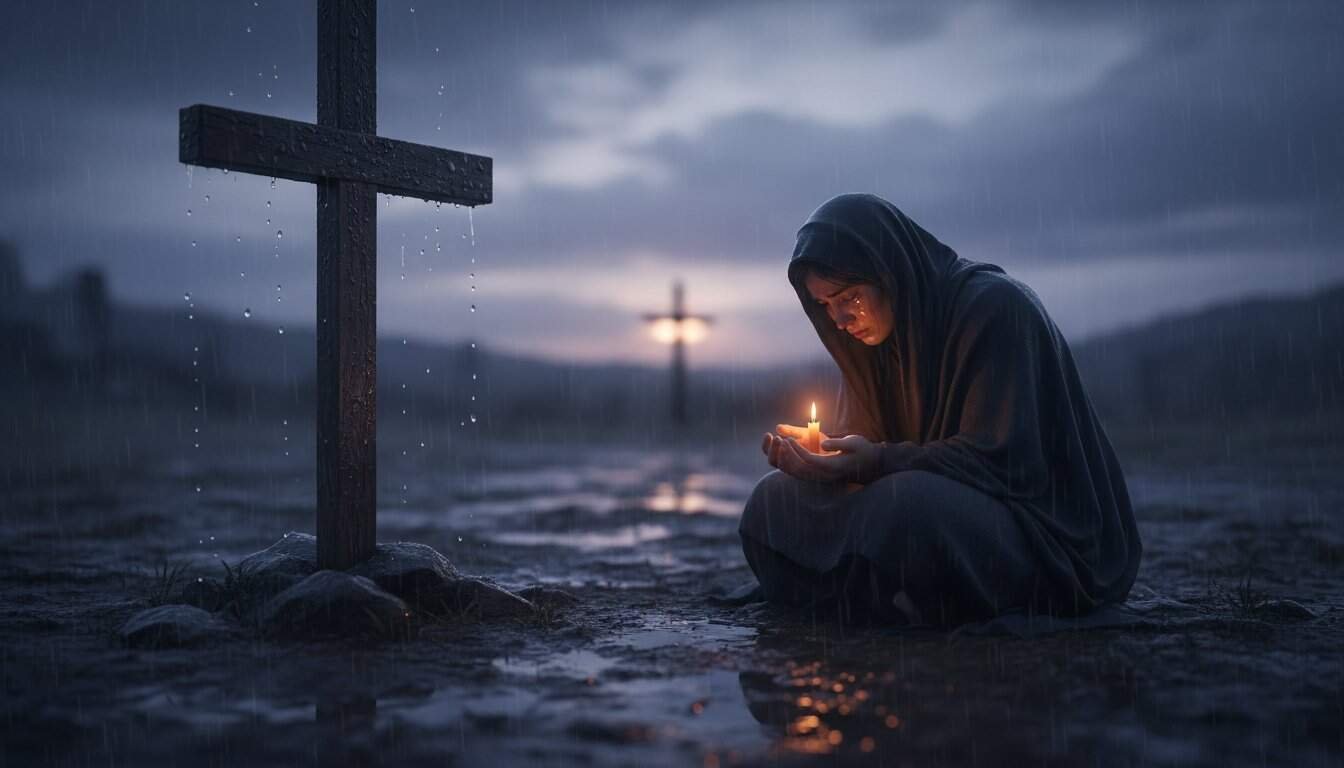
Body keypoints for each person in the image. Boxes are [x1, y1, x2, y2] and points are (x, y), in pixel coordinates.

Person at [738, 193, 1141, 628]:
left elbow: (1006, 465)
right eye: (824, 305)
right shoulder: (869, 346)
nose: (840, 319)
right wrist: (826, 463)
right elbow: (866, 461)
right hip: (920, 509)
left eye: (849, 296)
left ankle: (887, 599)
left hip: (1035, 533)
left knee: (903, 505)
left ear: (889, 271)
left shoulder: (998, 310)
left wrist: (875, 461)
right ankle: (870, 602)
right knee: (772, 501)